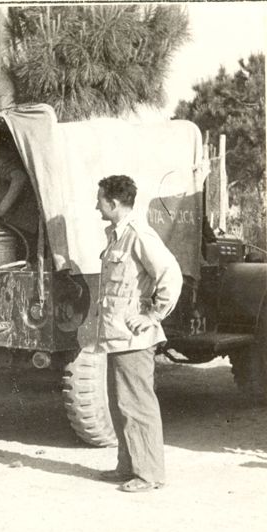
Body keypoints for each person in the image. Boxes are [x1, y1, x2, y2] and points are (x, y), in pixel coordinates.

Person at [93, 175, 183, 493]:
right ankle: (129, 466)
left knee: (137, 405)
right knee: (121, 404)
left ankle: (149, 474)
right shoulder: (117, 235)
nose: (96, 205)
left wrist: (153, 315)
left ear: (114, 204)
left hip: (133, 337)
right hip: (117, 336)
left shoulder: (138, 234)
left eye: (100, 200)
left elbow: (170, 274)